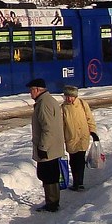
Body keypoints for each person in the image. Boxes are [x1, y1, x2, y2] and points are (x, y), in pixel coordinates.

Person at [28, 78, 66, 212]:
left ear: (38, 90)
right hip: (53, 147)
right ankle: (53, 201)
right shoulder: (49, 100)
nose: (30, 93)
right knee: (51, 175)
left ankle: (52, 203)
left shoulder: (44, 104)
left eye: (31, 90)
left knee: (48, 175)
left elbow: (47, 128)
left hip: (48, 148)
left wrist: (43, 147)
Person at [60, 85, 98, 192]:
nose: (69, 98)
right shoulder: (63, 108)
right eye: (67, 96)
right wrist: (61, 139)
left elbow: (89, 118)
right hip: (71, 137)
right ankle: (76, 182)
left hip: (82, 136)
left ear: (75, 96)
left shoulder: (82, 104)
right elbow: (61, 125)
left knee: (80, 159)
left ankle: (80, 182)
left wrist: (93, 132)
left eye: (71, 96)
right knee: (73, 160)